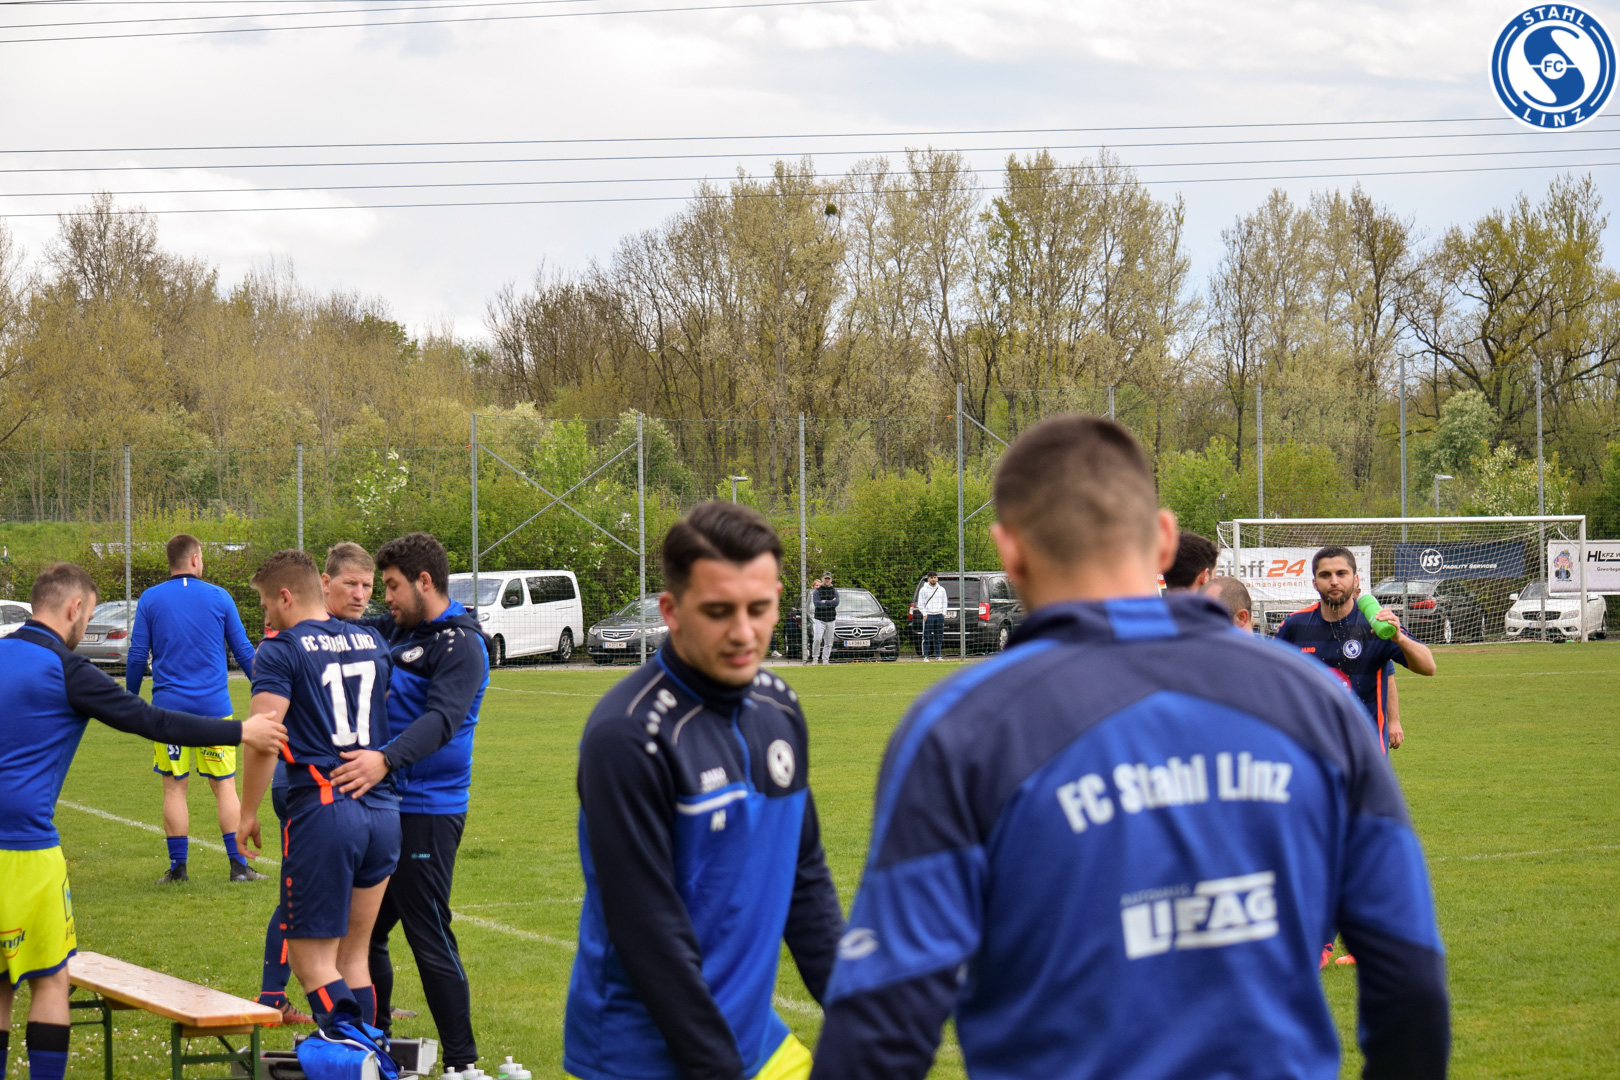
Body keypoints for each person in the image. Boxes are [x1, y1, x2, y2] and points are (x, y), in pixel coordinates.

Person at [811, 416, 1449, 1080]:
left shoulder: (963, 729)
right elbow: (1408, 971)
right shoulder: (1315, 700)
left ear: (1009, 552)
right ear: (1164, 538)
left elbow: (881, 1023)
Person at [564, 501, 843, 1080]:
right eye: (719, 611)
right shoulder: (628, 737)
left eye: (759, 609)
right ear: (671, 610)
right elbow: (649, 936)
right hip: (645, 1054)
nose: (743, 632)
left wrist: (860, 1016)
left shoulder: (779, 709)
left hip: (752, 1035)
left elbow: (803, 876)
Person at [1, 563, 285, 1080]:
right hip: (25, 849)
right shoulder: (67, 669)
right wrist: (239, 730)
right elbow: (152, 720)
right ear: (74, 608)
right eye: (88, 616)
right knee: (49, 979)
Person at [340, 533, 489, 1072]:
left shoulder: (462, 645)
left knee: (429, 933)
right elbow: (341, 633)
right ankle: (373, 1042)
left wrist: (384, 759)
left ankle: (462, 1063)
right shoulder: (397, 629)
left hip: (428, 809)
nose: (386, 598)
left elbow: (442, 720)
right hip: (387, 805)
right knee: (366, 935)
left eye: (393, 586)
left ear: (425, 582)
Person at [238, 550, 396, 1037]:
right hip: (381, 807)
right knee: (353, 958)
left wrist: (246, 812)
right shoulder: (372, 639)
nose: (266, 616)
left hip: (325, 807)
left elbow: (264, 737)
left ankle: (359, 1058)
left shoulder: (280, 649)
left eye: (266, 603)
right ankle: (371, 1057)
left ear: (286, 596)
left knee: (313, 965)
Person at [128, 533, 262, 884]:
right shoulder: (219, 596)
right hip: (215, 711)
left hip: (168, 714)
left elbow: (138, 655)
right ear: (193, 559)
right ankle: (239, 868)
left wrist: (129, 700)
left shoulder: (150, 599)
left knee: (174, 787)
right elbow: (244, 651)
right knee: (225, 786)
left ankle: (178, 870)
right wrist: (265, 689)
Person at [1274, 547, 1436, 752]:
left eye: (1341, 573)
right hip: (1312, 749)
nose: (1334, 581)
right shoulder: (1295, 624)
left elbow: (1428, 667)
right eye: (1325, 575)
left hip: (1365, 750)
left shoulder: (1376, 623)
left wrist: (1399, 638)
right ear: (1315, 583)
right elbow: (1270, 677)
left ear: (1356, 580)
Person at [916, 572, 947, 661]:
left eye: (935, 577)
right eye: (931, 577)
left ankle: (938, 656)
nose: (933, 579)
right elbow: (920, 603)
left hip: (939, 615)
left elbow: (945, 602)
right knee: (926, 637)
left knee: (938, 636)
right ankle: (925, 656)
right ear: (928, 579)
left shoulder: (941, 589)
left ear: (937, 578)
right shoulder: (923, 590)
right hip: (929, 615)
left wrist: (943, 613)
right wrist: (924, 614)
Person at [811, 573, 838, 664]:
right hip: (819, 619)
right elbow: (817, 604)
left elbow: (836, 603)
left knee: (829, 642)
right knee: (817, 639)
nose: (827, 580)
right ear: (822, 579)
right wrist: (830, 603)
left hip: (831, 619)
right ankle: (815, 658)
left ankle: (825, 660)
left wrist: (825, 602)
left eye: (828, 579)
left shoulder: (834, 591)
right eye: (825, 578)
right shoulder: (817, 591)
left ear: (831, 580)